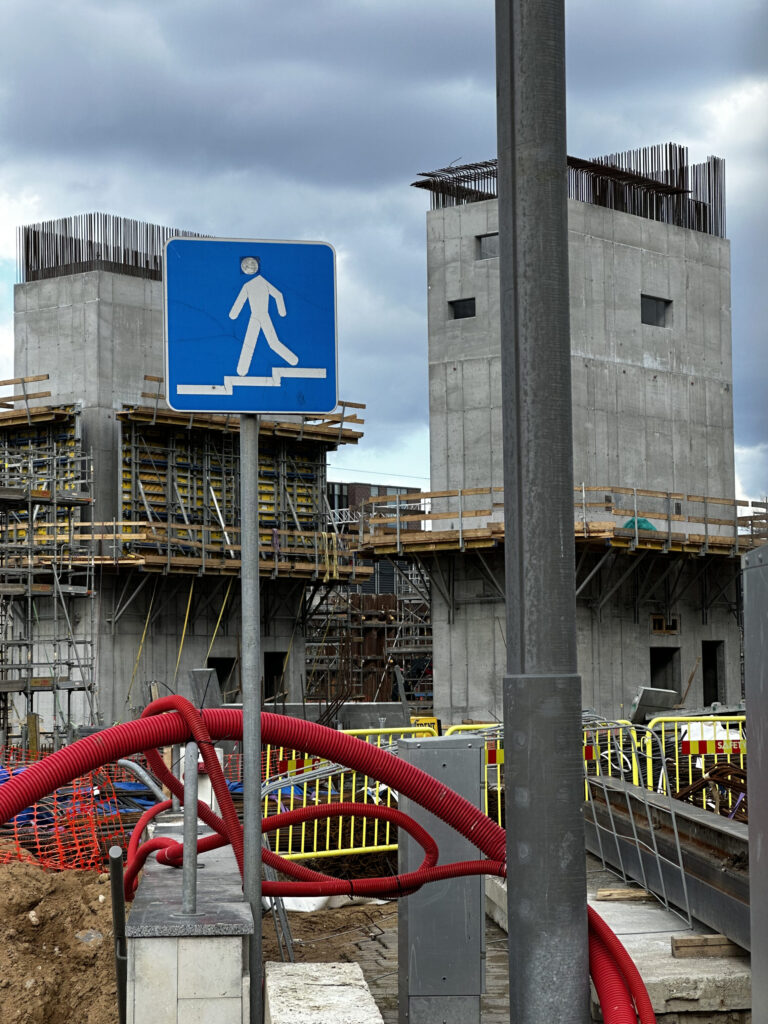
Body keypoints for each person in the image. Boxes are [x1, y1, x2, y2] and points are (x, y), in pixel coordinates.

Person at [229, 256, 298, 374]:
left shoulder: (250, 284)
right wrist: (282, 312)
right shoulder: (259, 283)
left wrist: (233, 315)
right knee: (271, 343)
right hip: (259, 316)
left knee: (252, 344)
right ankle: (292, 360)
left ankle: (242, 371)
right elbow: (278, 295)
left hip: (259, 316)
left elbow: (278, 295)